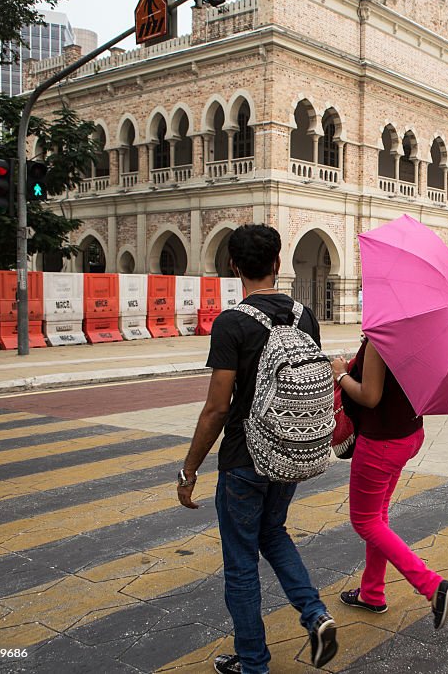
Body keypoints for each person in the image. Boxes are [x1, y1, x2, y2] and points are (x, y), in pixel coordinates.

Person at [178, 225, 338, 674]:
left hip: (243, 462)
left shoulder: (231, 324)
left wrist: (190, 468)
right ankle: (315, 615)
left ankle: (253, 664)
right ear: (278, 263)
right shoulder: (306, 318)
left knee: (241, 565)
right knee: (274, 533)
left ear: (233, 267)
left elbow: (216, 408)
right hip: (288, 454)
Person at [330, 338, 448, 631]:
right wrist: (352, 367)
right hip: (408, 434)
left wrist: (340, 375)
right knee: (378, 516)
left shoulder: (382, 338)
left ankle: (432, 586)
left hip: (381, 442)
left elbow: (370, 396)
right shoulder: (418, 337)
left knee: (364, 521)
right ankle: (372, 593)